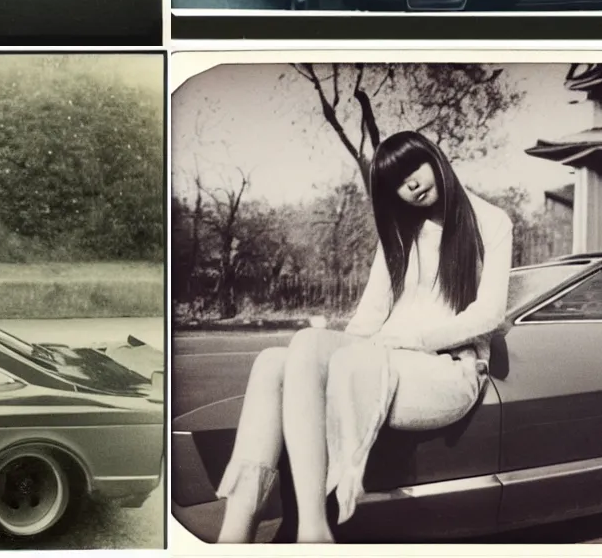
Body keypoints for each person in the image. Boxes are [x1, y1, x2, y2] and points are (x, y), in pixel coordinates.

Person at [213, 131, 513, 543]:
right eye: (396, 183)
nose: (411, 184)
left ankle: (313, 531)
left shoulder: (491, 222)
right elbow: (368, 319)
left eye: (414, 168)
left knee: (309, 347)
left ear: (435, 157)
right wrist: (330, 359)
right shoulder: (400, 232)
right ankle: (235, 533)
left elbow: (490, 314)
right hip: (386, 358)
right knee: (273, 361)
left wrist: (414, 340)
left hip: (447, 369)